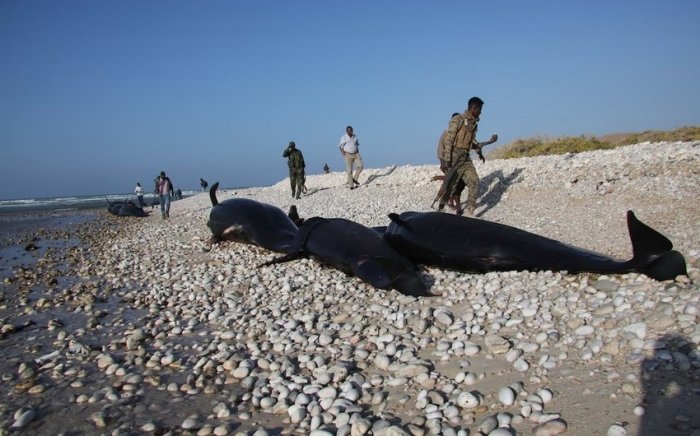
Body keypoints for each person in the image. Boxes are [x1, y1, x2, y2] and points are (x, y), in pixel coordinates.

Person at [435, 97, 498, 216]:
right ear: (474, 108)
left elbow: (472, 143)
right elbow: (449, 140)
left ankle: (470, 210)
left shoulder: (473, 124)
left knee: (474, 181)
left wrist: (485, 148)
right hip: (454, 156)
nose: (480, 113)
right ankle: (440, 209)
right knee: (451, 185)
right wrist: (446, 160)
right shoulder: (458, 119)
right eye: (480, 110)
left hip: (465, 157)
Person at [436, 113, 462, 210]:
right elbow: (440, 148)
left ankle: (452, 202)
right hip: (447, 164)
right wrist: (442, 162)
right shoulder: (446, 133)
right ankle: (453, 204)